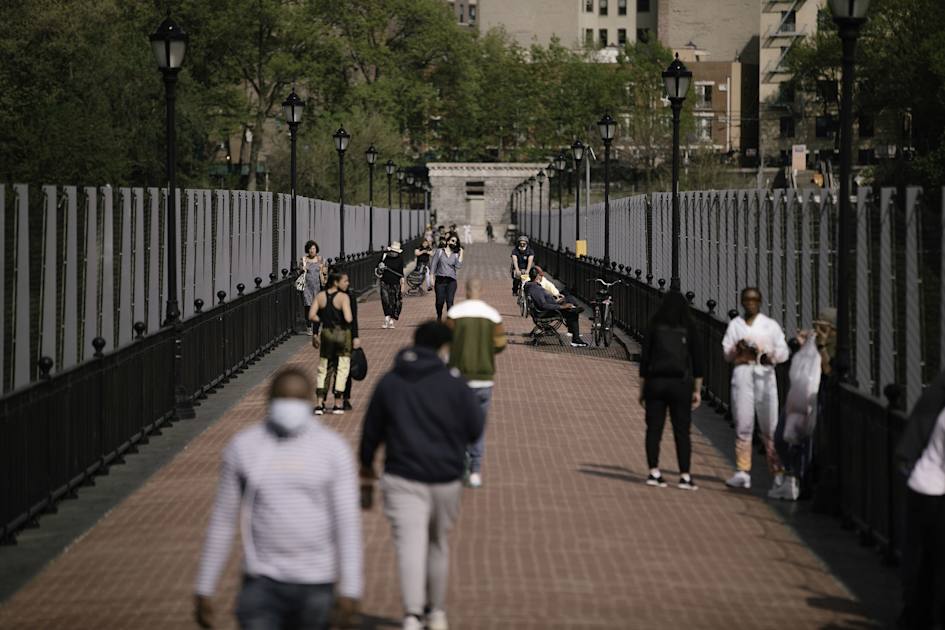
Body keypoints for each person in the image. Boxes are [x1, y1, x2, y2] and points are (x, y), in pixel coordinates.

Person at [194, 367, 362, 630]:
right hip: (262, 581)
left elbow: (346, 523)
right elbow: (223, 521)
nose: (290, 405)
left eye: (296, 398)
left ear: (309, 401)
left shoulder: (332, 450)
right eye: (284, 397)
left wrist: (351, 588)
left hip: (316, 580)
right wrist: (205, 585)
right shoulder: (245, 447)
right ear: (269, 400)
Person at [359, 321, 484, 630]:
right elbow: (475, 428)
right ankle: (436, 612)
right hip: (445, 475)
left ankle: (412, 614)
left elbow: (371, 431)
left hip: (402, 474)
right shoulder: (455, 384)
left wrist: (366, 466)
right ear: (444, 348)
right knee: (437, 543)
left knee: (409, 545)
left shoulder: (391, 380)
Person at [721, 287, 790, 491]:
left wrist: (769, 356)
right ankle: (743, 471)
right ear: (742, 302)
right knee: (743, 423)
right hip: (742, 374)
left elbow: (784, 351)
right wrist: (738, 348)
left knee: (770, 426)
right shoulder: (736, 325)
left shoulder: (770, 326)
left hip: (764, 375)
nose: (750, 303)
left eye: (754, 300)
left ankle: (777, 471)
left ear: (759, 302)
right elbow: (726, 353)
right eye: (747, 300)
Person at [637, 291, 704, 490]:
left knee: (654, 429)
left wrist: (642, 391)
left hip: (655, 383)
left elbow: (645, 360)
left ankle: (654, 472)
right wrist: (697, 390)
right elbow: (698, 361)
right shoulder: (689, 326)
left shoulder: (654, 325)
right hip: (680, 384)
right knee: (682, 431)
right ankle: (684, 476)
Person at [447, 278, 507, 489]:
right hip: (483, 377)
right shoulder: (492, 315)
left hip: (459, 378)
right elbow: (500, 344)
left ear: (465, 290)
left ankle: (460, 461)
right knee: (478, 426)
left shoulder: (454, 313)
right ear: (482, 290)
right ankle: (475, 471)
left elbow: (444, 341)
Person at [770, 307, 836, 501]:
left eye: (825, 327)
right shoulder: (812, 342)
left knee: (805, 442)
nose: (819, 331)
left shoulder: (836, 349)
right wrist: (802, 345)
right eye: (817, 325)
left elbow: (829, 372)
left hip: (817, 399)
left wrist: (822, 346)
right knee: (781, 437)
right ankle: (792, 476)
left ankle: (799, 482)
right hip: (797, 397)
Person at [897, 369, 945, 629]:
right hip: (932, 490)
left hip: (921, 481)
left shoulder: (938, 391)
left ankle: (914, 612)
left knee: (923, 558)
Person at [310, 271, 354, 415]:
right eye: (345, 281)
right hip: (341, 334)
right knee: (342, 368)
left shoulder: (320, 296)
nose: (347, 283)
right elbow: (348, 318)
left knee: (323, 367)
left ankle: (319, 403)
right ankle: (337, 403)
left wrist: (323, 320)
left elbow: (311, 315)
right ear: (336, 282)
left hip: (327, 333)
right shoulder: (343, 297)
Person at [524, 267, 588, 347]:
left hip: (547, 308)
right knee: (572, 313)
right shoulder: (536, 288)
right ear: (537, 276)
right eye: (541, 275)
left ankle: (573, 310)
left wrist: (556, 299)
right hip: (544, 313)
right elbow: (543, 305)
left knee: (569, 299)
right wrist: (562, 307)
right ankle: (576, 339)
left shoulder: (531, 286)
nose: (542, 277)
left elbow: (543, 301)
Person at [335, 273, 361, 412]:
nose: (348, 283)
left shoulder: (350, 296)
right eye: (345, 281)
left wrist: (355, 336)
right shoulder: (327, 295)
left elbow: (354, 318)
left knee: (346, 369)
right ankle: (336, 397)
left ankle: (345, 398)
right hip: (332, 336)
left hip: (346, 335)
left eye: (348, 281)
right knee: (334, 369)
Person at [429, 234, 464, 321]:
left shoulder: (455, 254)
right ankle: (439, 316)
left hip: (451, 281)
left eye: (455, 242)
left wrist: (461, 254)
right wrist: (431, 278)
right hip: (440, 280)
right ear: (447, 241)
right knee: (439, 301)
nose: (454, 243)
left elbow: (458, 266)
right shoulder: (439, 252)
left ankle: (449, 320)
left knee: (450, 301)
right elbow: (433, 265)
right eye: (452, 241)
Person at [299, 241, 328, 335]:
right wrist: (302, 269)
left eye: (314, 248)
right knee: (308, 307)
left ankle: (317, 326)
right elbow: (299, 271)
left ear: (316, 249)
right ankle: (308, 327)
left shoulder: (321, 259)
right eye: (310, 248)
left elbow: (325, 272)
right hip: (307, 288)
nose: (312, 250)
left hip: (318, 287)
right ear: (307, 250)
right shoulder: (303, 260)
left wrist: (323, 270)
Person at [379, 242, 406, 329]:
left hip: (396, 283)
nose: (394, 253)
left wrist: (403, 284)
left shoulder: (400, 259)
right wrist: (381, 267)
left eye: (396, 252)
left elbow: (401, 273)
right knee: (385, 299)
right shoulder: (384, 256)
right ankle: (387, 317)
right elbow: (378, 269)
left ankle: (391, 319)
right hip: (384, 282)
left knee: (394, 301)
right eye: (393, 251)